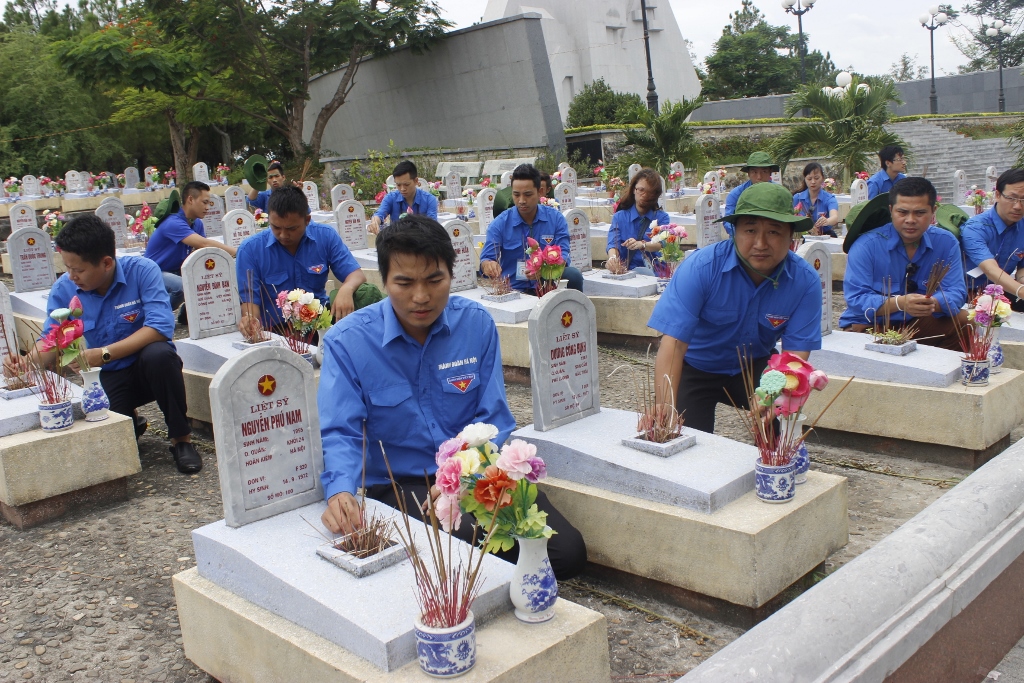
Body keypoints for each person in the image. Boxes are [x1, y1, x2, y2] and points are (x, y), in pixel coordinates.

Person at [318, 215, 587, 579]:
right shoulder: (348, 343)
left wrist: (463, 475)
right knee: (474, 559)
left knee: (567, 554)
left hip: (477, 471)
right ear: (384, 280)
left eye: (434, 280)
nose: (421, 297)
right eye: (404, 282)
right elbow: (341, 431)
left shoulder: (475, 323)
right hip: (404, 485)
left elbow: (493, 415)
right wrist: (340, 492)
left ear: (452, 274)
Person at [3, 215, 202, 473]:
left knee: (160, 355)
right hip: (108, 376)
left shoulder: (142, 271)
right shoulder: (65, 289)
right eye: (67, 268)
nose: (72, 276)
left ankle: (181, 440)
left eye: (79, 270)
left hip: (147, 368)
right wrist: (25, 363)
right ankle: (132, 419)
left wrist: (104, 354)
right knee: (114, 445)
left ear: (106, 262)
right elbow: (51, 339)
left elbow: (159, 328)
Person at [648, 183, 821, 434]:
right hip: (696, 367)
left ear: (792, 237)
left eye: (774, 232)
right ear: (733, 231)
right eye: (750, 230)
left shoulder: (805, 282)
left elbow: (794, 356)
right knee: (683, 440)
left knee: (780, 427)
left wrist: (777, 395)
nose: (760, 243)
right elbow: (674, 343)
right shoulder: (702, 268)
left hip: (756, 365)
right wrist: (664, 405)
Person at [839, 178, 966, 350]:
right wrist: (899, 303)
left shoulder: (946, 242)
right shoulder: (866, 245)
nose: (910, 220)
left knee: (966, 321)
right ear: (891, 210)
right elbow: (856, 298)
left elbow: (957, 291)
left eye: (920, 213)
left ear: (933, 211)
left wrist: (933, 303)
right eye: (902, 212)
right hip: (872, 326)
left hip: (920, 324)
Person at [236, 187, 370, 336]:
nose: (283, 235)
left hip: (319, 326)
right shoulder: (250, 250)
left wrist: (347, 288)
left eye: (291, 228)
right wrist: (249, 319)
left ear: (307, 220)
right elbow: (250, 304)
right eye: (276, 227)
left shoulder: (325, 237)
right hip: (277, 331)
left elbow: (356, 275)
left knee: (367, 295)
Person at [479, 164, 584, 293]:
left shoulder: (555, 219)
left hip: (548, 284)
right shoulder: (500, 223)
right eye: (516, 195)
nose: (522, 200)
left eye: (528, 195)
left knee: (573, 275)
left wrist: (544, 270)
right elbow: (486, 258)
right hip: (513, 289)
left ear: (540, 192)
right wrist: (488, 265)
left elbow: (564, 256)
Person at [144, 181, 237, 315]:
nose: (207, 207)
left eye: (208, 203)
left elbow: (204, 252)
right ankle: (153, 317)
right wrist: (239, 252)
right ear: (190, 199)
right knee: (181, 287)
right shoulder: (173, 222)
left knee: (211, 277)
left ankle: (187, 315)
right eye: (204, 202)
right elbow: (204, 244)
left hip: (177, 270)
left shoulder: (196, 223)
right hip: (154, 271)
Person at [960, 168, 1024, 304]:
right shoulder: (975, 228)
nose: (1018, 206)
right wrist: (1021, 291)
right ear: (997, 195)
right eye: (1012, 198)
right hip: (967, 293)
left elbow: (1022, 269)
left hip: (1003, 291)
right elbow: (990, 269)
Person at [606, 168, 670, 274]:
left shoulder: (662, 218)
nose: (644, 195)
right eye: (641, 190)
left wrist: (643, 245)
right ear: (634, 190)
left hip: (656, 272)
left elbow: (662, 244)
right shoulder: (619, 217)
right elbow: (613, 243)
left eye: (649, 192)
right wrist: (612, 258)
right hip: (627, 271)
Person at [369, 160, 439, 234]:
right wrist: (375, 222)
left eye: (406, 184)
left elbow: (432, 225)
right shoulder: (391, 198)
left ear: (416, 181)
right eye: (398, 185)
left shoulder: (429, 200)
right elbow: (380, 213)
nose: (402, 189)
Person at [723, 152, 778, 236]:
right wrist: (742, 236)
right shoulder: (736, 194)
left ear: (770, 172)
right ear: (748, 173)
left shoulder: (779, 193)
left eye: (764, 171)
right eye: (754, 172)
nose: (759, 177)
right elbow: (728, 222)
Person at [791, 162, 840, 237]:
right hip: (802, 236)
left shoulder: (829, 198)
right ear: (805, 179)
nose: (813, 182)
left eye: (816, 178)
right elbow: (790, 218)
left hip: (825, 236)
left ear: (823, 178)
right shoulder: (797, 198)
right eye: (809, 179)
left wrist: (826, 221)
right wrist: (805, 227)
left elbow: (834, 218)